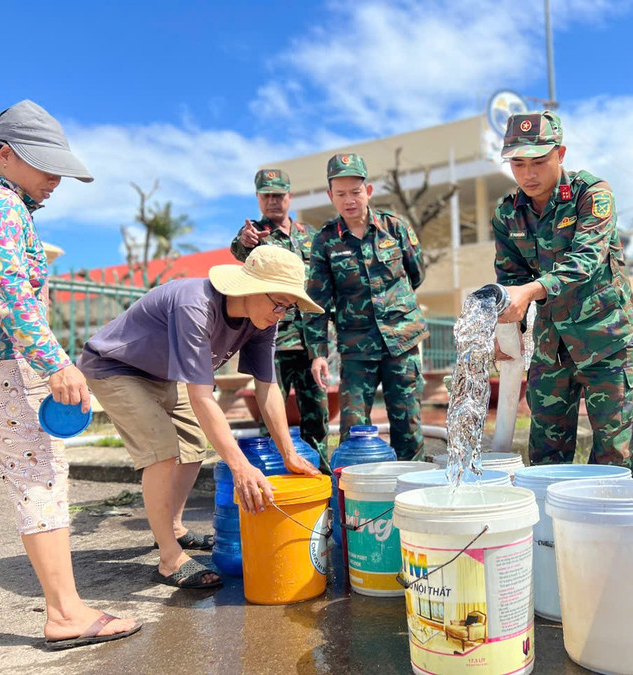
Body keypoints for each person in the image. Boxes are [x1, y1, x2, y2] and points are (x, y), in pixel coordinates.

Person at [0, 100, 140, 648]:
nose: (55, 179)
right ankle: (66, 613)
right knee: (41, 473)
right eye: (46, 165)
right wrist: (56, 364)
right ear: (5, 155)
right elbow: (11, 296)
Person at [78, 246, 323, 588]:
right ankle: (168, 558)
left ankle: (173, 528)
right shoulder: (195, 305)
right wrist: (240, 467)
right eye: (278, 303)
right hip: (115, 367)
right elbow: (201, 396)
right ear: (250, 288)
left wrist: (289, 453)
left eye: (289, 307)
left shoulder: (263, 321)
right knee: (162, 450)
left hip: (163, 374)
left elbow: (268, 388)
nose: (281, 314)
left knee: (193, 444)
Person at [492, 111, 633, 475]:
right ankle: (551, 533)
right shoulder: (507, 213)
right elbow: (510, 280)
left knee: (613, 459)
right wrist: (504, 331)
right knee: (545, 459)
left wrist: (530, 290)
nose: (528, 174)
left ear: (560, 154)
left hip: (606, 342)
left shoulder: (592, 194)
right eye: (518, 163)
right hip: (551, 348)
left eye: (539, 161)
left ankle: (611, 531)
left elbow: (586, 259)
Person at [307, 154, 427, 460]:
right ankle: (359, 498)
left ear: (368, 191)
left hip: (401, 342)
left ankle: (410, 494)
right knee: (353, 429)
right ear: (330, 196)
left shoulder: (395, 229)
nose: (349, 200)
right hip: (356, 348)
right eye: (341, 194)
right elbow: (317, 301)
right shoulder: (325, 242)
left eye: (355, 192)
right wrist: (318, 353)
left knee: (408, 427)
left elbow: (417, 274)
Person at [230, 169, 329, 459]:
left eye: (278, 195)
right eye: (266, 195)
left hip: (311, 341)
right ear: (259, 199)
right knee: (271, 415)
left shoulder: (310, 235)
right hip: (273, 339)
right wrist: (246, 241)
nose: (273, 201)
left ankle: (320, 475)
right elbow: (239, 249)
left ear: (290, 197)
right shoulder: (254, 233)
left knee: (317, 416)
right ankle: (272, 473)